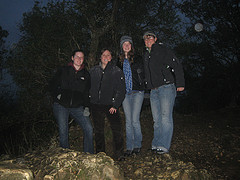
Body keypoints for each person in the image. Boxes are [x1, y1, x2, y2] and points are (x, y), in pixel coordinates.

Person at [142, 31, 185, 154]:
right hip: (154, 91)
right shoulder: (146, 55)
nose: (147, 40)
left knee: (165, 118)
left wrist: (180, 83)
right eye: (145, 38)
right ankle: (156, 144)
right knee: (157, 120)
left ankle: (164, 145)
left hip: (166, 87)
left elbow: (176, 64)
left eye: (150, 37)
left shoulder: (162, 50)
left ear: (155, 39)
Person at [49, 49, 94, 154]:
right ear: (72, 58)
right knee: (63, 130)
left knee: (89, 128)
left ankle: (89, 155)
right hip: (61, 105)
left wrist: (87, 107)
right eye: (77, 56)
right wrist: (58, 95)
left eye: (81, 57)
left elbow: (87, 93)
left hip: (77, 106)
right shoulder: (63, 70)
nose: (79, 59)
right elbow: (52, 84)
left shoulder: (86, 74)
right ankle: (65, 155)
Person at [89, 48, 126, 160]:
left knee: (117, 129)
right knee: (98, 130)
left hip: (110, 105)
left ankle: (119, 154)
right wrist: (89, 100)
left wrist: (115, 105)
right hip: (95, 105)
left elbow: (121, 90)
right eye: (104, 55)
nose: (106, 57)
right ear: (100, 57)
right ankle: (101, 154)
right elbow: (87, 87)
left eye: (108, 55)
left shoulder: (116, 71)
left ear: (111, 57)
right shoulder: (93, 71)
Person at [117, 36, 145, 156]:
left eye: (129, 44)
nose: (127, 46)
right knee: (128, 121)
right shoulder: (118, 61)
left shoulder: (138, 58)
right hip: (125, 94)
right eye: (124, 44)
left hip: (137, 91)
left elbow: (144, 72)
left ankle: (137, 145)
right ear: (122, 47)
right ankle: (129, 147)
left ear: (131, 46)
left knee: (134, 120)